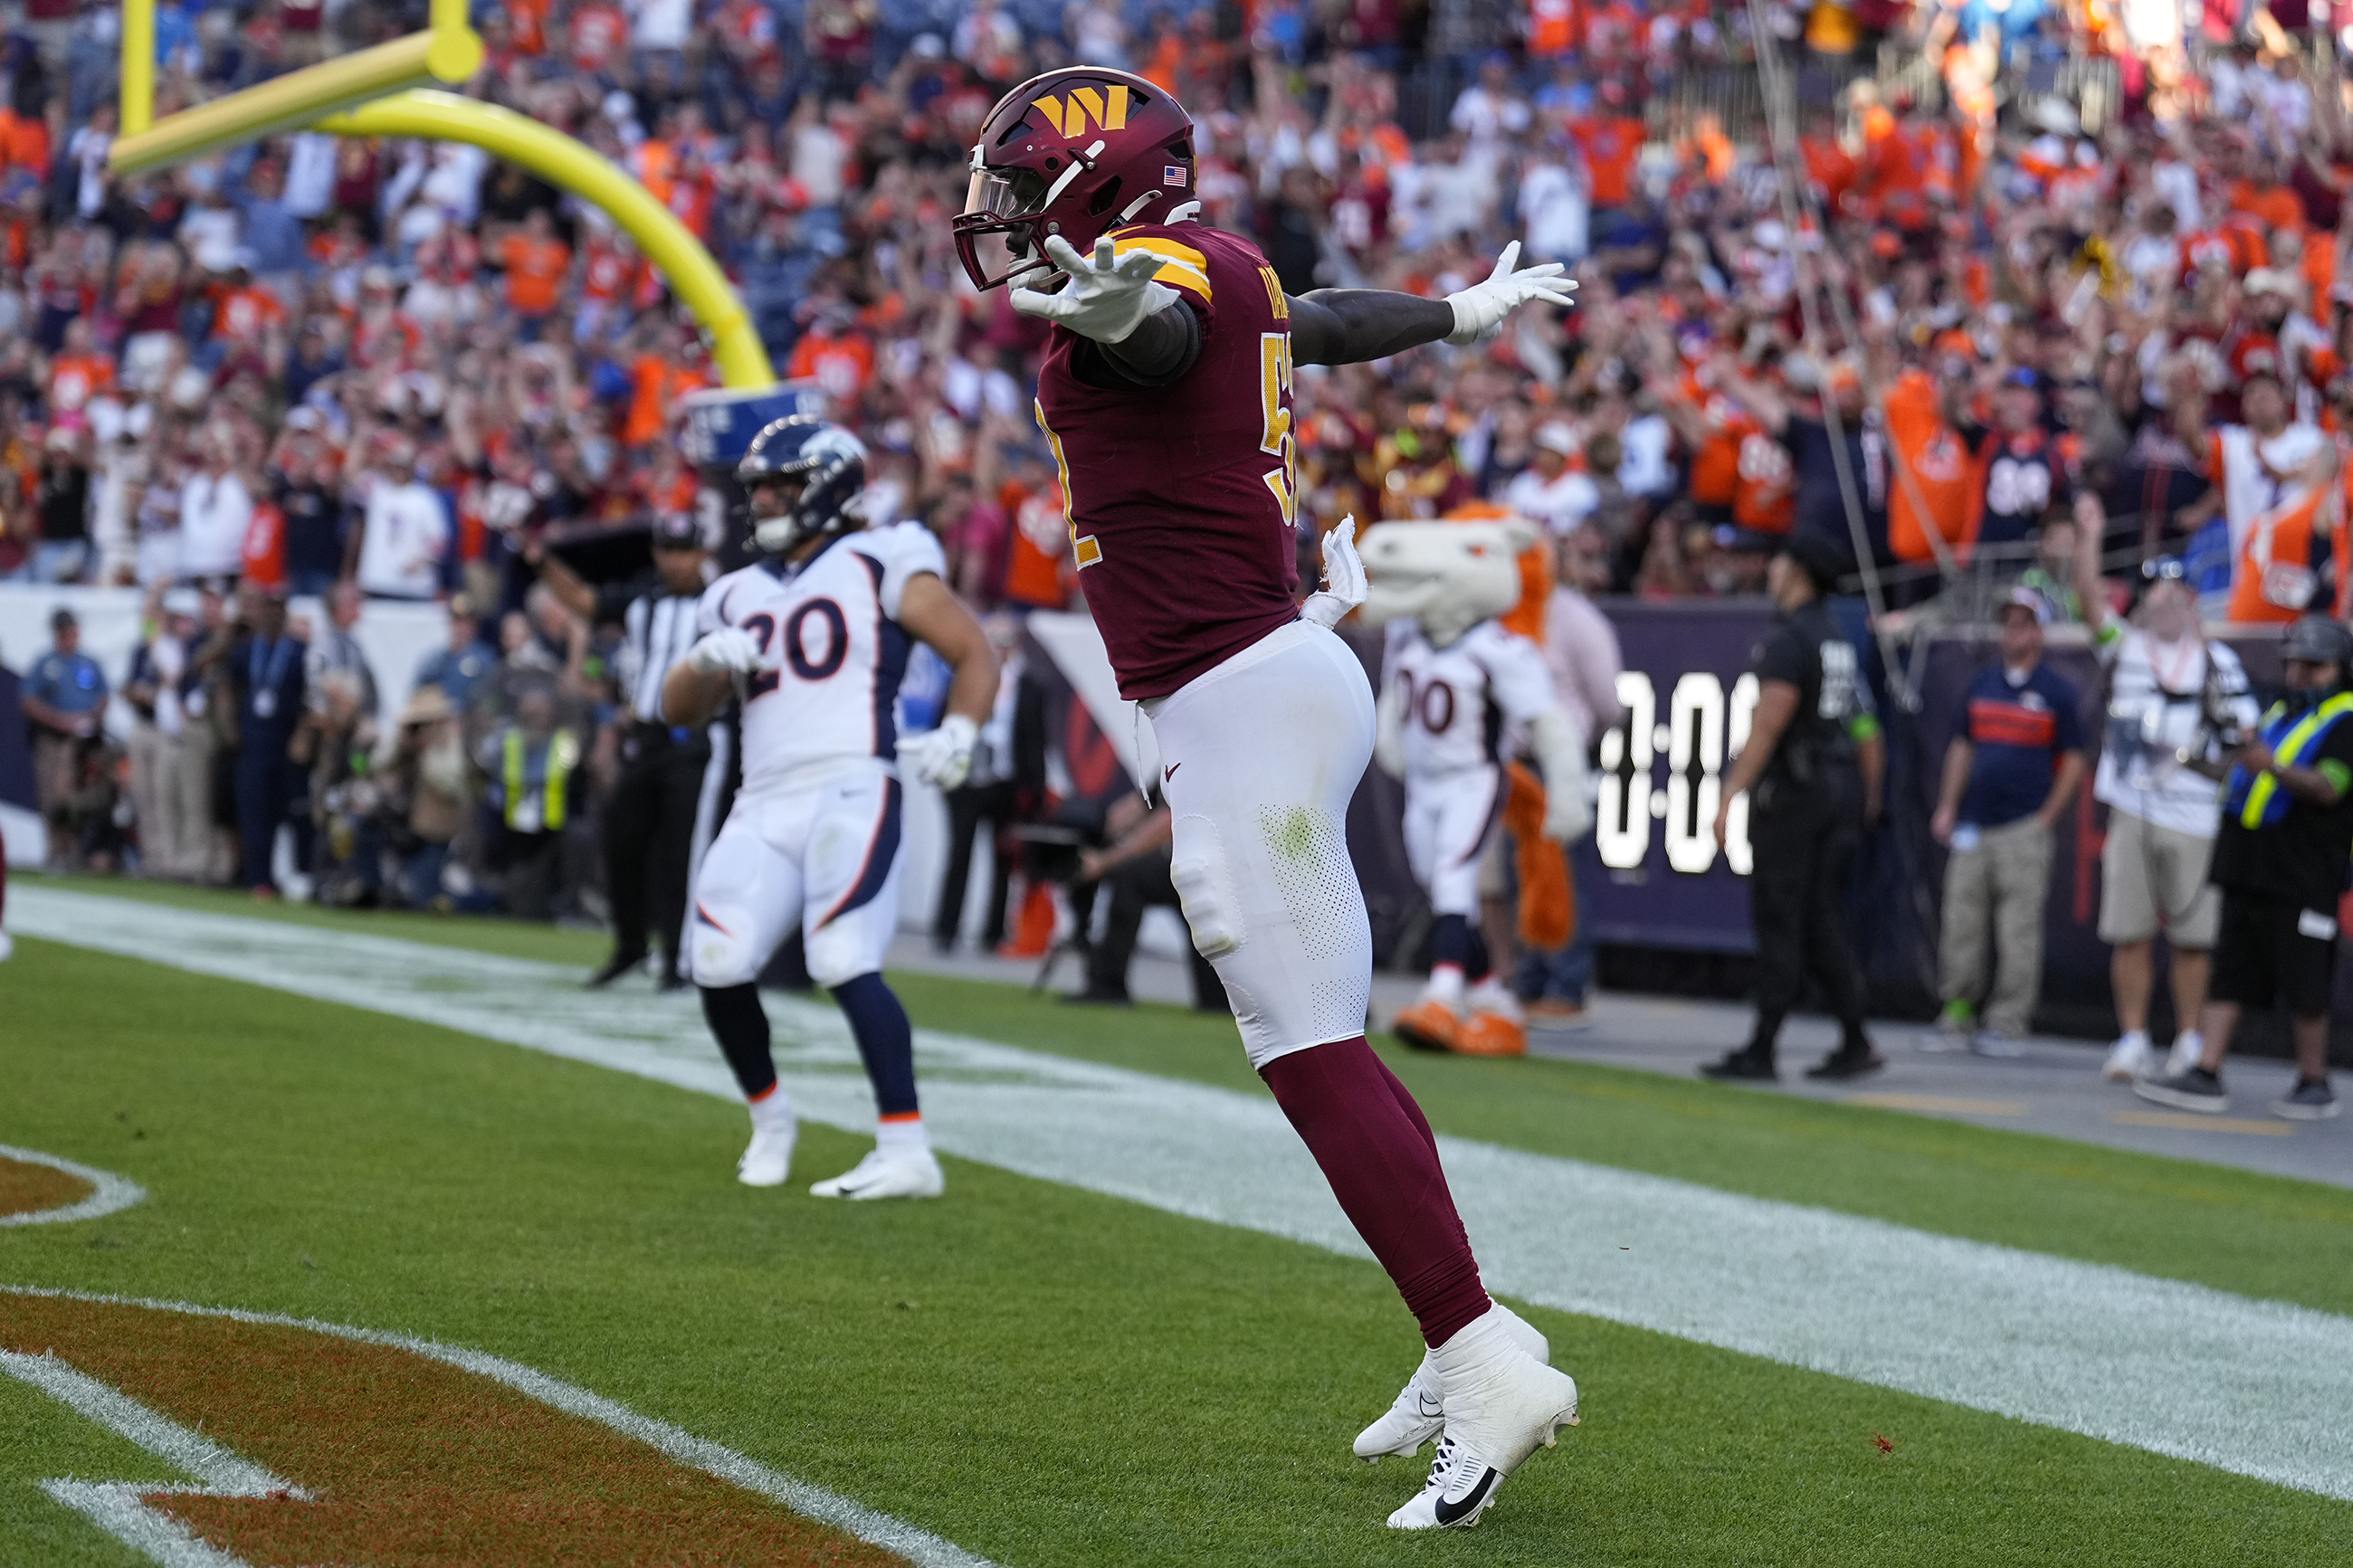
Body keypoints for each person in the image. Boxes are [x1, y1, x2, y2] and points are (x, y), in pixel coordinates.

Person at [957, 65, 1579, 1530]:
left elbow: (1161, 340)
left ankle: (1486, 1357)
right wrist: (1454, 313)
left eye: (1022, 176)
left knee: (1306, 1055)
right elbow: (1320, 318)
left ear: (1103, 185)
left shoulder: (1148, 295)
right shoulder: (1221, 257)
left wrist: (1119, 318)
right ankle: (1460, 1330)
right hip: (1277, 671)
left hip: (1244, 694)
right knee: (1332, 1045)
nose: (995, 209)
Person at [662, 415, 998, 1201]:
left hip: (853, 781)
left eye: (781, 483)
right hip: (763, 797)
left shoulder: (883, 554)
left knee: (843, 958)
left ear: (829, 484)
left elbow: (973, 651)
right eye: (760, 487)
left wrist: (962, 726)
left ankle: (906, 1146)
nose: (767, 499)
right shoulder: (733, 592)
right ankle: (771, 1118)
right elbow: (678, 708)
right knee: (715, 960)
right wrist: (705, 660)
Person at [2137, 614, 2353, 1122]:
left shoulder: (2347, 721)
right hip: (2249, 865)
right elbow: (2241, 770)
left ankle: (2314, 1080)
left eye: (2314, 667)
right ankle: (2206, 1071)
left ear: (2340, 669)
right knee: (2231, 971)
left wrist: (2270, 765)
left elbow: (2328, 787)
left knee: (2307, 978)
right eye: (2296, 665)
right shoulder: (2280, 712)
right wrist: (2191, 759)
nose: (2301, 676)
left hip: (2305, 869)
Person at [2073, 524, 2257, 1083]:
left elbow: (2245, 733)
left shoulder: (2220, 661)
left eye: (2178, 589)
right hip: (2133, 804)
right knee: (2129, 931)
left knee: (2193, 937)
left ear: (2193, 601)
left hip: (2195, 811)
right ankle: (2132, 1038)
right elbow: (2087, 600)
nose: (2166, 598)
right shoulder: (2126, 646)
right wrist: (2089, 534)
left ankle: (2188, 1036)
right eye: (2156, 589)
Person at [1377, 583, 1589, 1059]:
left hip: (1473, 779)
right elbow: (1395, 700)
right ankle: (1495, 1001)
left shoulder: (1494, 646)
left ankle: (1442, 995)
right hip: (1424, 782)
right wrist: (1391, 747)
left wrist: (1566, 789)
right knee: (1442, 891)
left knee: (1455, 880)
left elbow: (1546, 721)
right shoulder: (1410, 633)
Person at [1701, 534, 1885, 1082]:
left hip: (1795, 796)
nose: (1771, 568)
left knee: (1780, 916)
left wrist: (1730, 792)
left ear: (1798, 570)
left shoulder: (1790, 643)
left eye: (1779, 559)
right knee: (1820, 917)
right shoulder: (1835, 639)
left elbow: (1769, 723)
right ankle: (1855, 1037)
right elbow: (1865, 725)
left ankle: (1763, 1046)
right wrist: (1869, 792)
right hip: (1836, 786)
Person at [536, 511, 718, 990]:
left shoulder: (721, 603)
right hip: (644, 737)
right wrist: (539, 559)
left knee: (679, 855)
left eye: (684, 552)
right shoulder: (643, 598)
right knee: (622, 845)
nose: (674, 562)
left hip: (694, 741)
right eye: (667, 551)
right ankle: (631, 946)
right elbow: (581, 599)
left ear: (702, 554)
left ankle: (678, 959)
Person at [1926, 589, 2087, 1056]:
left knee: (2017, 929)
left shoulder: (2056, 691)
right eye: (2008, 623)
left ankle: (2008, 1020)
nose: (2012, 632)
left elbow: (2074, 760)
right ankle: (1956, 1012)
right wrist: (1947, 806)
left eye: (2022, 623)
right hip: (1974, 823)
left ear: (2038, 631)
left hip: (2022, 825)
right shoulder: (1981, 684)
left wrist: (2046, 818)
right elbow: (1962, 746)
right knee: (1961, 921)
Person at [1519, 524, 1625, 1025]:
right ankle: (1532, 979)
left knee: (1564, 872)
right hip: (1517, 759)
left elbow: (1609, 700)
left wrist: (1580, 740)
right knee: (1527, 872)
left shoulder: (1579, 620)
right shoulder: (1512, 616)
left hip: (1560, 761)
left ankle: (1567, 983)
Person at [1064, 793, 1225, 1010]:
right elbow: (1132, 808)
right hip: (1201, 859)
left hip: (1218, 860)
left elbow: (1167, 822)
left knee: (1130, 879)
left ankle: (1108, 984)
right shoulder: (1172, 765)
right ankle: (1218, 996)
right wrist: (1099, 831)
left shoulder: (1192, 763)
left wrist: (1106, 860)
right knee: (1191, 905)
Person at [220, 589, 309, 897]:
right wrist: (230, 726)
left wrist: (301, 735)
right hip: (252, 743)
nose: (273, 615)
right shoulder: (245, 649)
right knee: (253, 813)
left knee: (289, 812)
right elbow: (228, 686)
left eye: (278, 609)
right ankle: (259, 878)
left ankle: (298, 875)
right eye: (268, 608)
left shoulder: (298, 651)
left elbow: (309, 697)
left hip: (285, 744)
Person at [19, 607, 109, 870]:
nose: (70, 635)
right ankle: (55, 852)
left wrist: (92, 718)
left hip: (84, 744)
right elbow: (28, 701)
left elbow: (103, 695)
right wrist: (59, 720)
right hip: (52, 740)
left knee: (79, 799)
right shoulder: (45, 663)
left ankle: (78, 853)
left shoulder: (88, 663)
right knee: (52, 798)